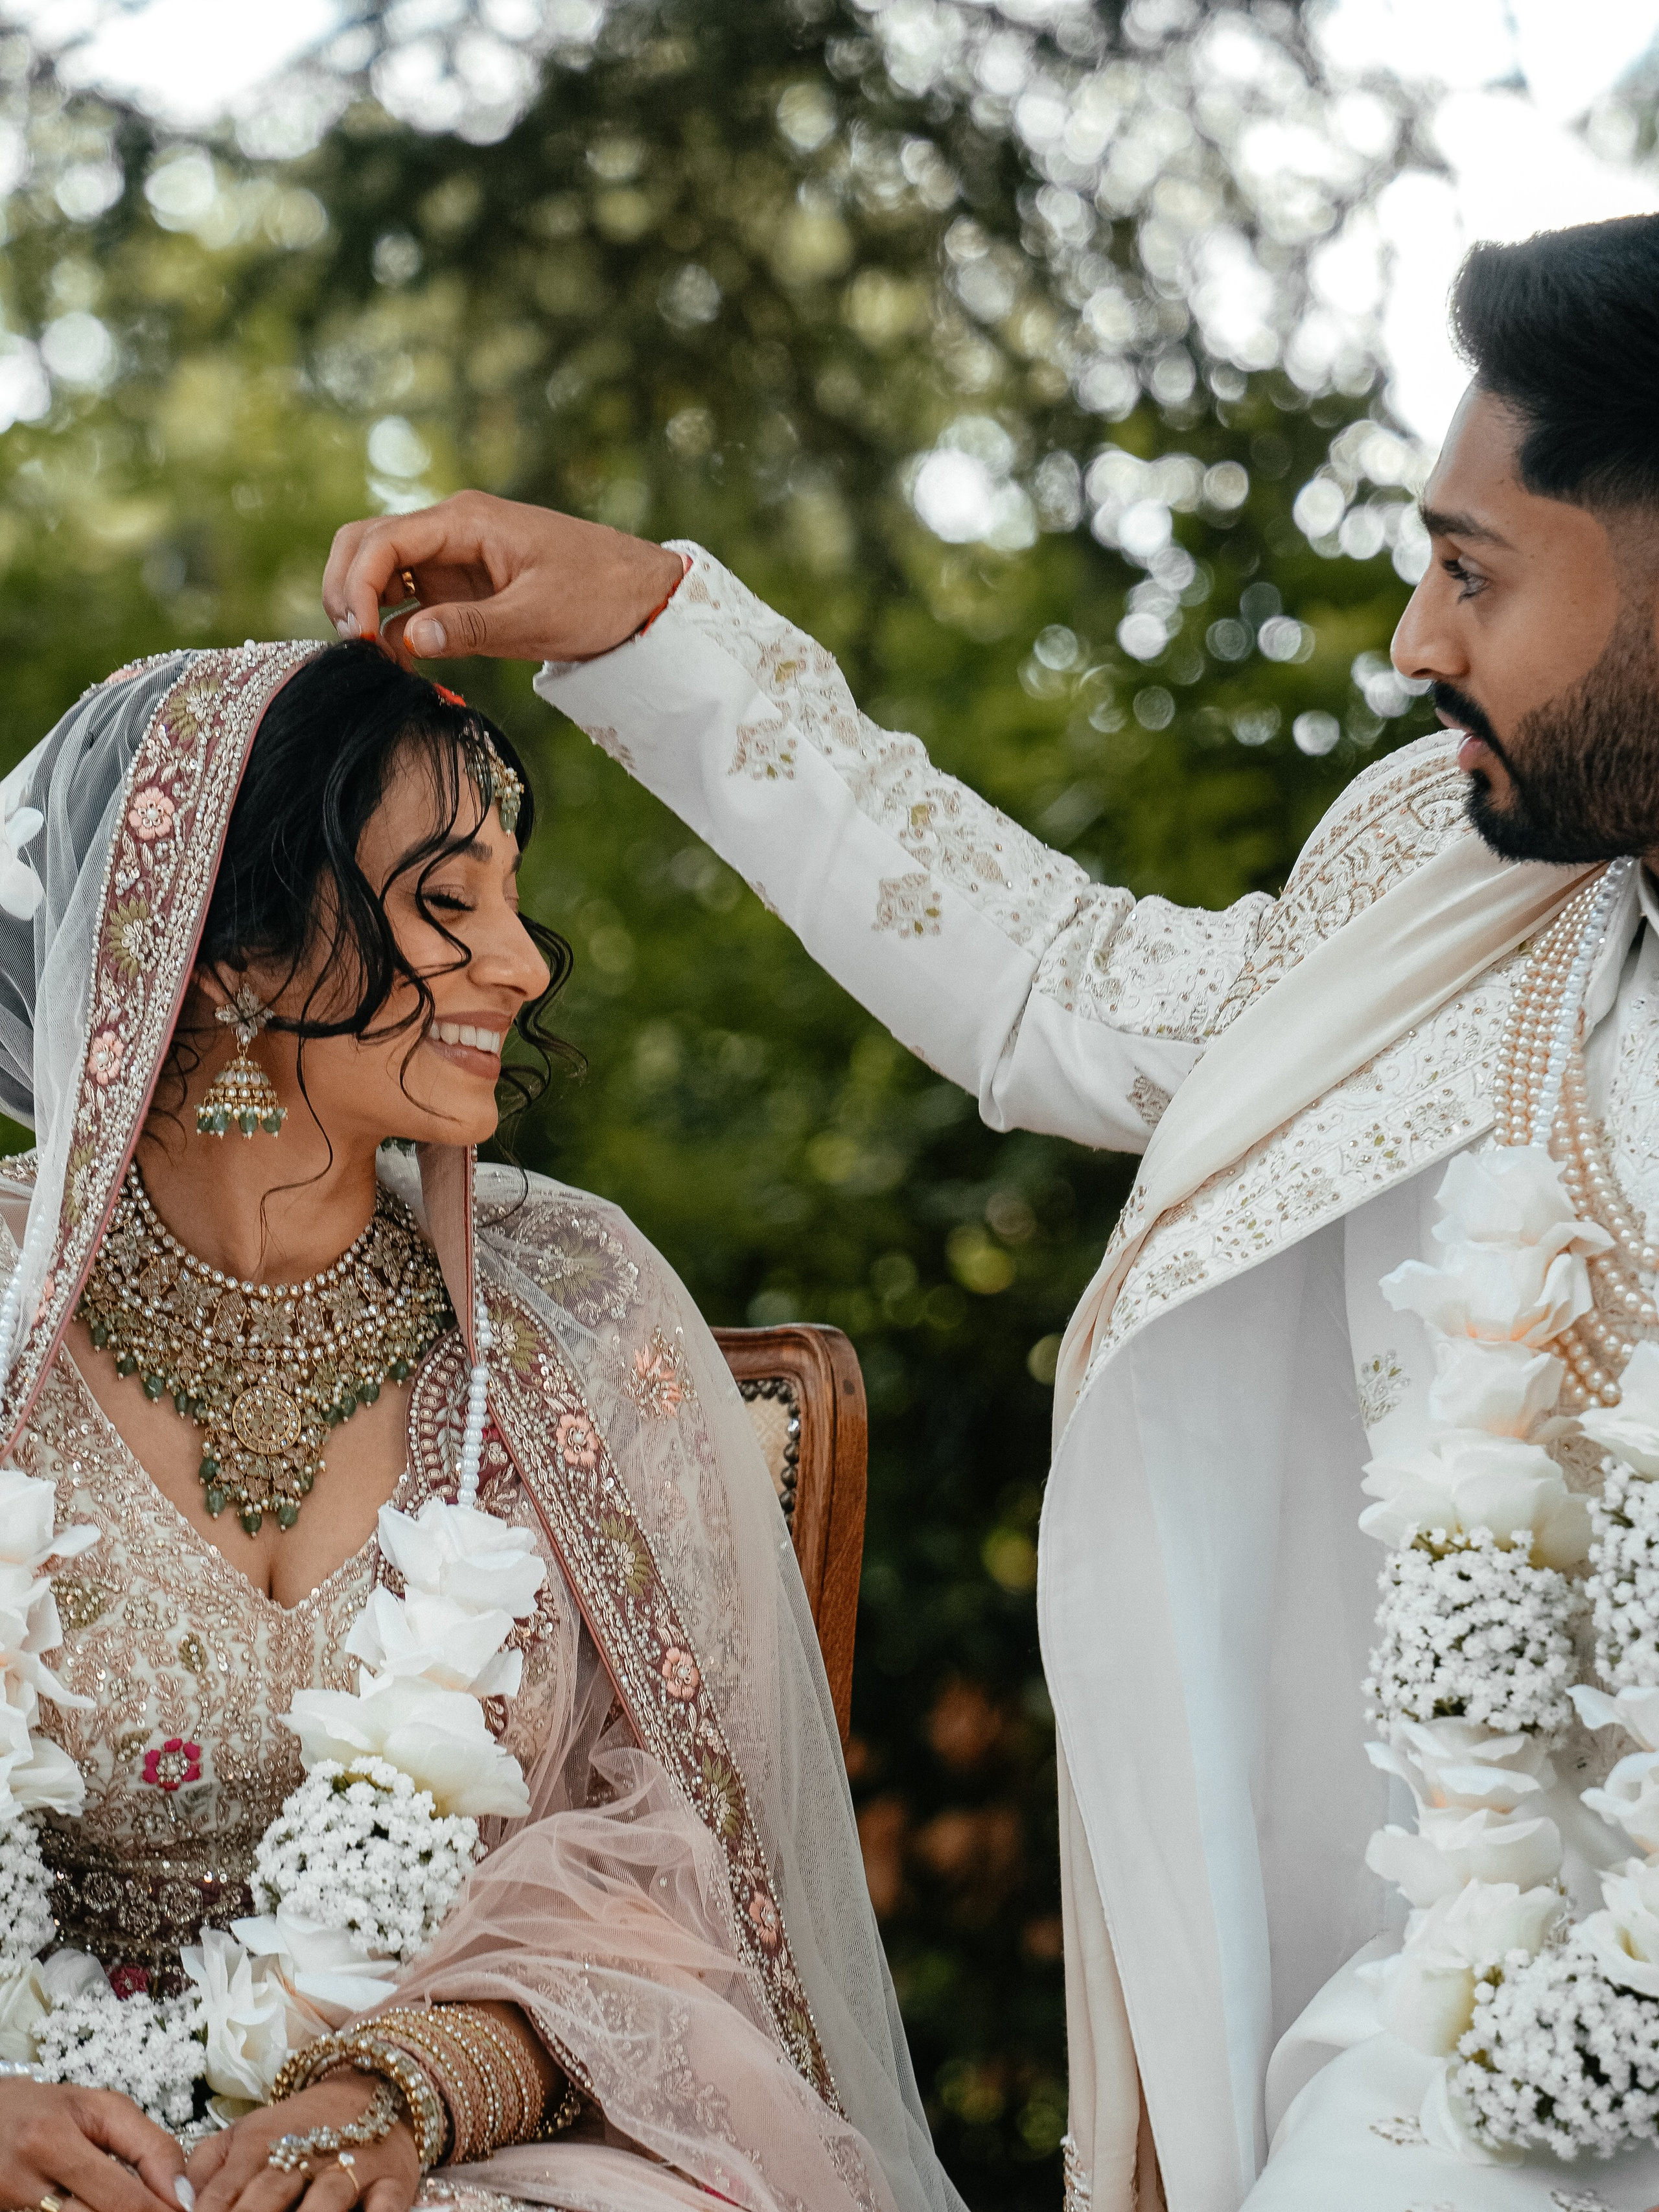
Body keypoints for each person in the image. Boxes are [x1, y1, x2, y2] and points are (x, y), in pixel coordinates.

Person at [323, 211, 1659, 2209]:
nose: (1414, 641)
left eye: (1474, 571)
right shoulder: (1460, 880)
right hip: (1464, 2038)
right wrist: (646, 623)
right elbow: (1061, 990)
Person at [0, 637, 965, 2212]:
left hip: (442, 2170)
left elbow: (667, 1866)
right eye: (447, 904)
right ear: (222, 946)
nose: (522, 963)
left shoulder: (565, 1312)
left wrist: (408, 2091)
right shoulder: (2, 1322)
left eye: (511, 901)